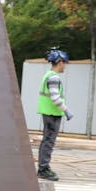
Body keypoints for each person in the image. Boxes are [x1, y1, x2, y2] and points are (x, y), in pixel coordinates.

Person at [36, 49, 75, 181]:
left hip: (49, 113)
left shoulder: (48, 75)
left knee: (46, 140)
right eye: (65, 63)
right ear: (60, 62)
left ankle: (43, 167)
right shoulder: (53, 77)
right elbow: (55, 98)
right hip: (52, 114)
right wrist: (66, 110)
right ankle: (43, 169)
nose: (65, 65)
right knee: (49, 141)